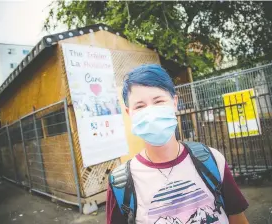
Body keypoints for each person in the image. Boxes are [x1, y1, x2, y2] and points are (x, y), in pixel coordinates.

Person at [106, 64, 249, 224]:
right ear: (129, 113)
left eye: (159, 101)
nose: (151, 113)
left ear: (174, 102)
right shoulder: (121, 184)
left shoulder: (212, 161)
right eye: (140, 106)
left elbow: (238, 218)